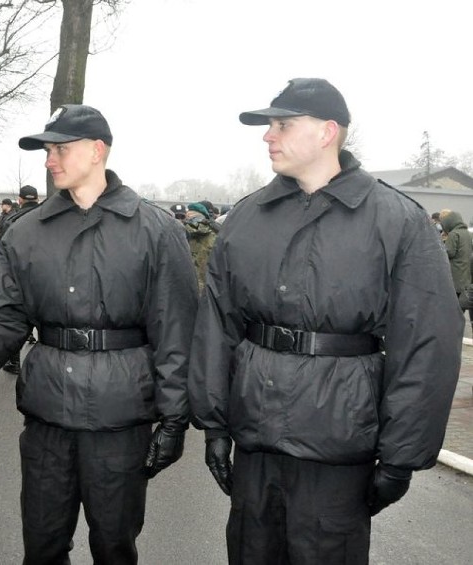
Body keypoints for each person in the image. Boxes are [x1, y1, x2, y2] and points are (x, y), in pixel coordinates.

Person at [188, 78, 462, 564]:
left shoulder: (396, 221)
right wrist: (214, 425)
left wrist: (401, 455)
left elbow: (426, 343)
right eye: (269, 126)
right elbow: (217, 325)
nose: (268, 136)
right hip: (257, 441)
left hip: (337, 442)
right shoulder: (248, 218)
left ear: (327, 132)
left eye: (282, 124)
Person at [0, 104, 198, 564]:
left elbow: (176, 331)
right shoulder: (27, 233)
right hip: (48, 416)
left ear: (97, 151)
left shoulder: (156, 231)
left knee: (114, 545)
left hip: (121, 418)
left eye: (60, 149)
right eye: (48, 150)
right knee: (43, 545)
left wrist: (175, 418)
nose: (50, 160)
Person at [0, 184, 41, 375]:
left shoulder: (12, 220)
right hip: (45, 276)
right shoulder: (50, 217)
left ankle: (14, 362)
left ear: (20, 200)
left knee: (15, 321)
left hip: (18, 277)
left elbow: (4, 250)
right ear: (37, 199)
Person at [439, 209, 473, 333]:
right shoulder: (469, 234)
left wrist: (442, 244)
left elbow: (449, 252)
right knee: (460, 307)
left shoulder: (454, 234)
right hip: (466, 275)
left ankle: (449, 331)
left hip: (454, 276)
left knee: (451, 308)